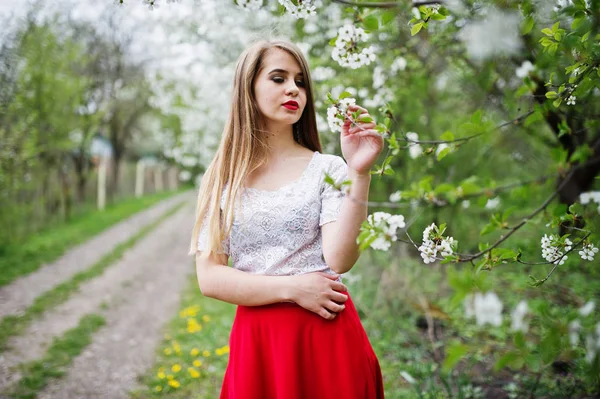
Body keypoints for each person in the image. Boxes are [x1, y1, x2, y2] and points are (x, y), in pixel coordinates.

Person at [190, 39, 385, 399]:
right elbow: (210, 277)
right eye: (278, 78)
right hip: (259, 344)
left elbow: (340, 259)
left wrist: (360, 175)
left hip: (326, 338)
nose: (293, 89)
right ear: (248, 89)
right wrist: (292, 289)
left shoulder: (328, 169)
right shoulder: (223, 179)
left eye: (300, 81)